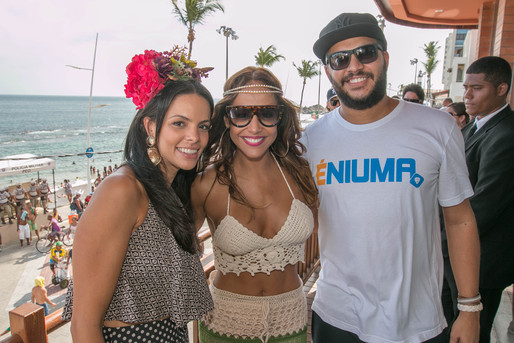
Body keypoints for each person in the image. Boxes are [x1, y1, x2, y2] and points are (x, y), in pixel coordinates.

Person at [304, 12, 481, 343]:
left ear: (385, 58)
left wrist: (469, 308)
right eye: (340, 59)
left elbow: (459, 221)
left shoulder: (438, 129)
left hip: (418, 320)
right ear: (329, 71)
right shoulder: (309, 141)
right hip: (337, 317)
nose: (354, 66)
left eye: (365, 53)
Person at [62, 47, 214, 343]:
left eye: (203, 126)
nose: (194, 137)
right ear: (150, 126)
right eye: (179, 123)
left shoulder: (171, 191)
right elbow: (83, 325)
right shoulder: (123, 189)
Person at [192, 66, 318, 343]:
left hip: (291, 321)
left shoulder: (301, 174)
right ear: (226, 119)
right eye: (241, 114)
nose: (255, 126)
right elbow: (175, 247)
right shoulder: (206, 184)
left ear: (280, 117)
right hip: (226, 324)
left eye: (267, 113)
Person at [461, 56, 514, 343]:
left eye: (477, 88)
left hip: (484, 263)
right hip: (467, 255)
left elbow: (485, 205)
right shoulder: (474, 127)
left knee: (473, 334)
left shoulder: (506, 135)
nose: (467, 95)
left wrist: (437, 241)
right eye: (466, 87)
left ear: (502, 88)